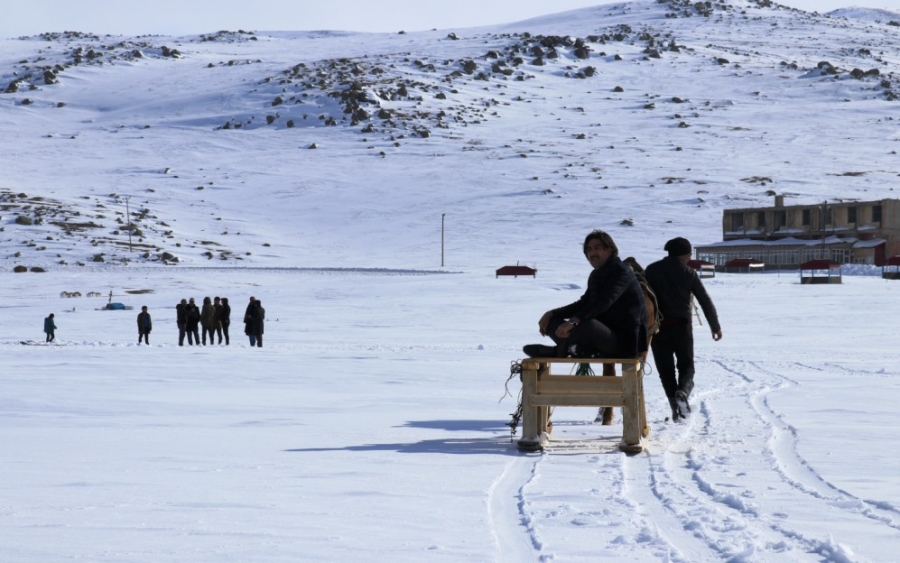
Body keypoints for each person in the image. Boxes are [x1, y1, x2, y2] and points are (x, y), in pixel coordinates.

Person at [523, 230, 648, 361]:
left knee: (587, 323)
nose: (592, 253)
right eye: (589, 249)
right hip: (599, 337)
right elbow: (584, 303)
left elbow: (603, 303)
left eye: (597, 248)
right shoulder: (596, 275)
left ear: (610, 250)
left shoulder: (621, 272)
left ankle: (559, 350)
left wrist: (573, 322)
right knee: (552, 323)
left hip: (624, 343)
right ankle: (577, 349)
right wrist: (551, 314)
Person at [645, 237, 722, 422]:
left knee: (666, 371)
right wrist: (715, 326)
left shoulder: (652, 270)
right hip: (682, 327)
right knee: (686, 367)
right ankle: (683, 393)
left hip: (658, 328)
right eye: (689, 254)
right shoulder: (689, 273)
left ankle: (675, 408)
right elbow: (704, 300)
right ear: (685, 254)